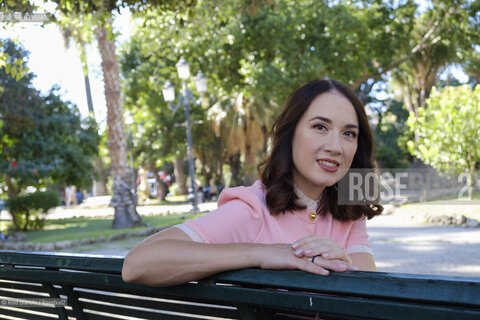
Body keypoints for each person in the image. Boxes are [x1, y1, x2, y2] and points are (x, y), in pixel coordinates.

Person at [122, 79, 383, 287]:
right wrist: (262, 253)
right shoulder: (253, 208)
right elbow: (137, 264)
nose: (336, 146)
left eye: (349, 133)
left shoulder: (349, 206)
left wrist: (343, 262)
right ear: (289, 135)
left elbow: (370, 292)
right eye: (320, 127)